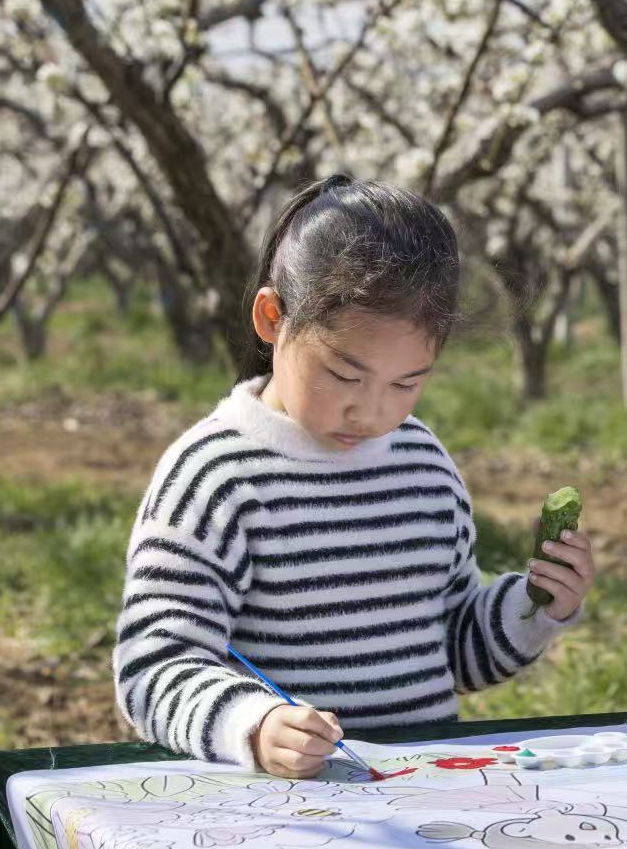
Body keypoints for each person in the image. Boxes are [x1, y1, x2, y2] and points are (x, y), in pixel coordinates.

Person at [113, 176, 595, 775]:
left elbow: (449, 645)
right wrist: (253, 726)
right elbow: (154, 662)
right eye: (344, 375)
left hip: (423, 797)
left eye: (407, 383)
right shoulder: (218, 476)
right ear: (272, 318)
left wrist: (534, 605)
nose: (372, 412)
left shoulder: (421, 463)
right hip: (284, 817)